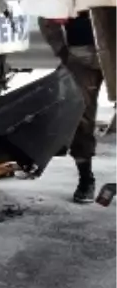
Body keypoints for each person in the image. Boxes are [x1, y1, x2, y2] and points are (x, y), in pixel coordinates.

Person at [39, 11, 104, 203]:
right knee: (80, 116)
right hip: (81, 53)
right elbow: (47, 12)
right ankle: (86, 178)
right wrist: (62, 52)